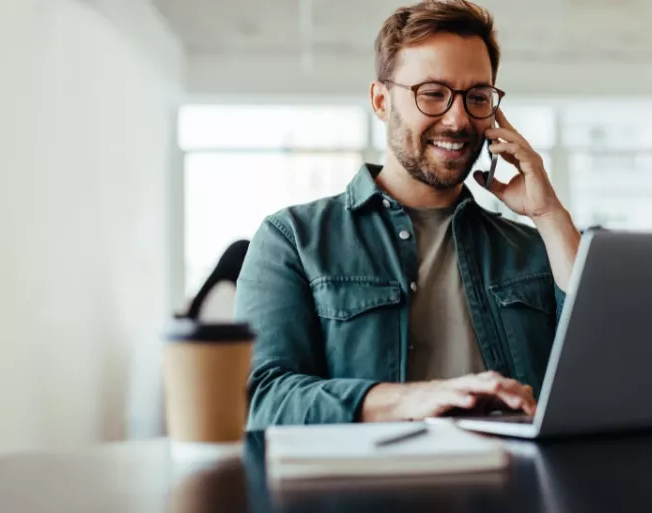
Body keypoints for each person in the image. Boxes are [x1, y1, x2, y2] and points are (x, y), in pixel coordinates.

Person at [235, 0, 581, 429]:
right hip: (366, 491)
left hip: (515, 489)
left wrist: (549, 214)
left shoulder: (532, 248)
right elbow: (260, 399)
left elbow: (602, 374)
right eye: (433, 94)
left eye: (477, 97)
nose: (458, 120)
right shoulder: (293, 239)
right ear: (381, 100)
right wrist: (417, 398)